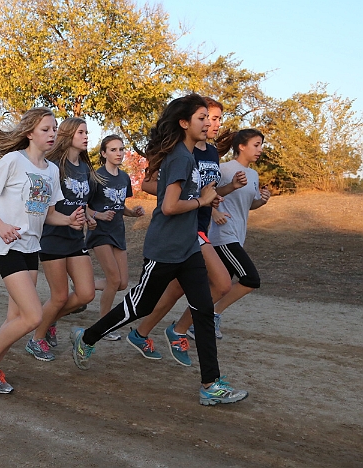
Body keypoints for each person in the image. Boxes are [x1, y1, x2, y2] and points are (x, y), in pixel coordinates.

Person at [70, 94, 249, 406]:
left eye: (210, 118)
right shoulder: (180, 158)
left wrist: (211, 194)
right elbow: (167, 207)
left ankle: (210, 384)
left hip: (189, 247)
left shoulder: (191, 156)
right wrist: (202, 201)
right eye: (201, 118)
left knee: (203, 312)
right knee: (138, 307)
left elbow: (188, 197)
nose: (208, 123)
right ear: (184, 123)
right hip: (165, 249)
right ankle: (86, 338)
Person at [0, 107, 86, 394]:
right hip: (7, 248)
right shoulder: (13, 161)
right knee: (33, 317)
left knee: (15, 318)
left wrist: (68, 220)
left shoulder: (52, 171)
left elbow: (47, 214)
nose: (52, 134)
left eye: (55, 129)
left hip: (32, 248)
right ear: (30, 133)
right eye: (46, 129)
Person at [127, 98, 247, 365]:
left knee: (175, 290)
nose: (213, 124)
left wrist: (226, 191)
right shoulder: (182, 149)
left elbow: (210, 193)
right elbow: (149, 185)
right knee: (222, 283)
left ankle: (142, 332)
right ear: (193, 120)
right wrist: (184, 197)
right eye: (208, 118)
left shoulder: (212, 152)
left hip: (199, 224)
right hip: (186, 228)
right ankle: (177, 330)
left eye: (216, 119)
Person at [25, 117, 97, 361]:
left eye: (87, 132)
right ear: (68, 135)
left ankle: (50, 320)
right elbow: (43, 206)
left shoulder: (85, 169)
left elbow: (81, 202)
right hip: (53, 237)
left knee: (86, 294)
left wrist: (89, 216)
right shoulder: (54, 166)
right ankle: (36, 338)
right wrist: (67, 219)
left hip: (76, 238)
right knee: (59, 296)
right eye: (81, 132)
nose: (86, 136)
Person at [206, 129, 270, 337]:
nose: (260, 149)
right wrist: (214, 212)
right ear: (241, 146)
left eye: (261, 145)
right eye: (256, 144)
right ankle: (213, 313)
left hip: (238, 236)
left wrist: (262, 200)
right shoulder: (224, 169)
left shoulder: (253, 175)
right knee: (251, 279)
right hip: (223, 235)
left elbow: (249, 205)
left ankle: (195, 319)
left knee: (217, 286)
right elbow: (205, 194)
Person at [86, 135, 145, 341]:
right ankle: (103, 326)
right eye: (113, 149)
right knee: (113, 279)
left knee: (122, 283)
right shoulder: (96, 177)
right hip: (100, 232)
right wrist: (98, 215)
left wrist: (133, 213)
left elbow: (120, 208)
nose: (118, 153)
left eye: (121, 149)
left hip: (118, 232)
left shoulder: (124, 177)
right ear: (104, 153)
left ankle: (85, 285)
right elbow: (83, 205)